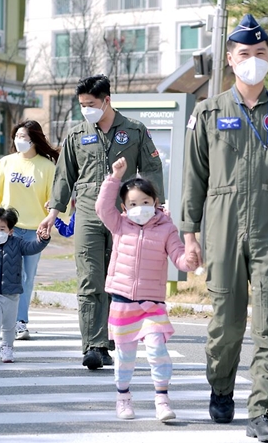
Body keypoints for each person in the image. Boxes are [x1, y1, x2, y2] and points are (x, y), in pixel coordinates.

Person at [180, 14, 268, 443]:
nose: (253, 61)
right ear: (230, 59)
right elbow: (194, 178)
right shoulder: (207, 113)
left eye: (260, 54)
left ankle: (263, 411)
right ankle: (221, 386)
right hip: (221, 226)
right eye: (245, 54)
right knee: (226, 323)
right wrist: (190, 234)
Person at [38, 74, 165, 371]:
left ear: (107, 100)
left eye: (91, 104)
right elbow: (64, 176)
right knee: (90, 277)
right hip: (87, 212)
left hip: (126, 216)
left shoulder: (134, 131)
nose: (86, 109)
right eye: (82, 104)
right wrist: (53, 212)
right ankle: (94, 345)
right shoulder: (76, 134)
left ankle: (114, 338)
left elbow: (152, 169)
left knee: (119, 279)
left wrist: (153, 207)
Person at [95, 157, 197, 421]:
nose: (139, 208)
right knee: (125, 357)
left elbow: (178, 255)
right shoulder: (119, 224)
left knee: (157, 351)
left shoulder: (166, 227)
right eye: (132, 204)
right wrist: (114, 177)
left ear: (155, 202)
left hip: (152, 303)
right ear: (124, 207)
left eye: (145, 202)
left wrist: (190, 260)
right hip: (123, 301)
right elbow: (102, 208)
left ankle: (162, 400)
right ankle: (123, 398)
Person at [0, 120, 59, 341]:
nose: (18, 140)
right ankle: (5, 320)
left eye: (23, 136)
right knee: (6, 275)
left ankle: (20, 322)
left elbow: (56, 197)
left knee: (26, 277)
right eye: (17, 136)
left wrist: (52, 207)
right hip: (7, 229)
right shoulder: (6, 163)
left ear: (34, 139)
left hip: (34, 230)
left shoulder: (48, 167)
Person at [0, 205, 50, 366]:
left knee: (9, 324)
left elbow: (33, 247)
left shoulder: (18, 243)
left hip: (12, 293)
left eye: (2, 228)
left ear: (10, 230)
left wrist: (43, 239)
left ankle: (7, 348)